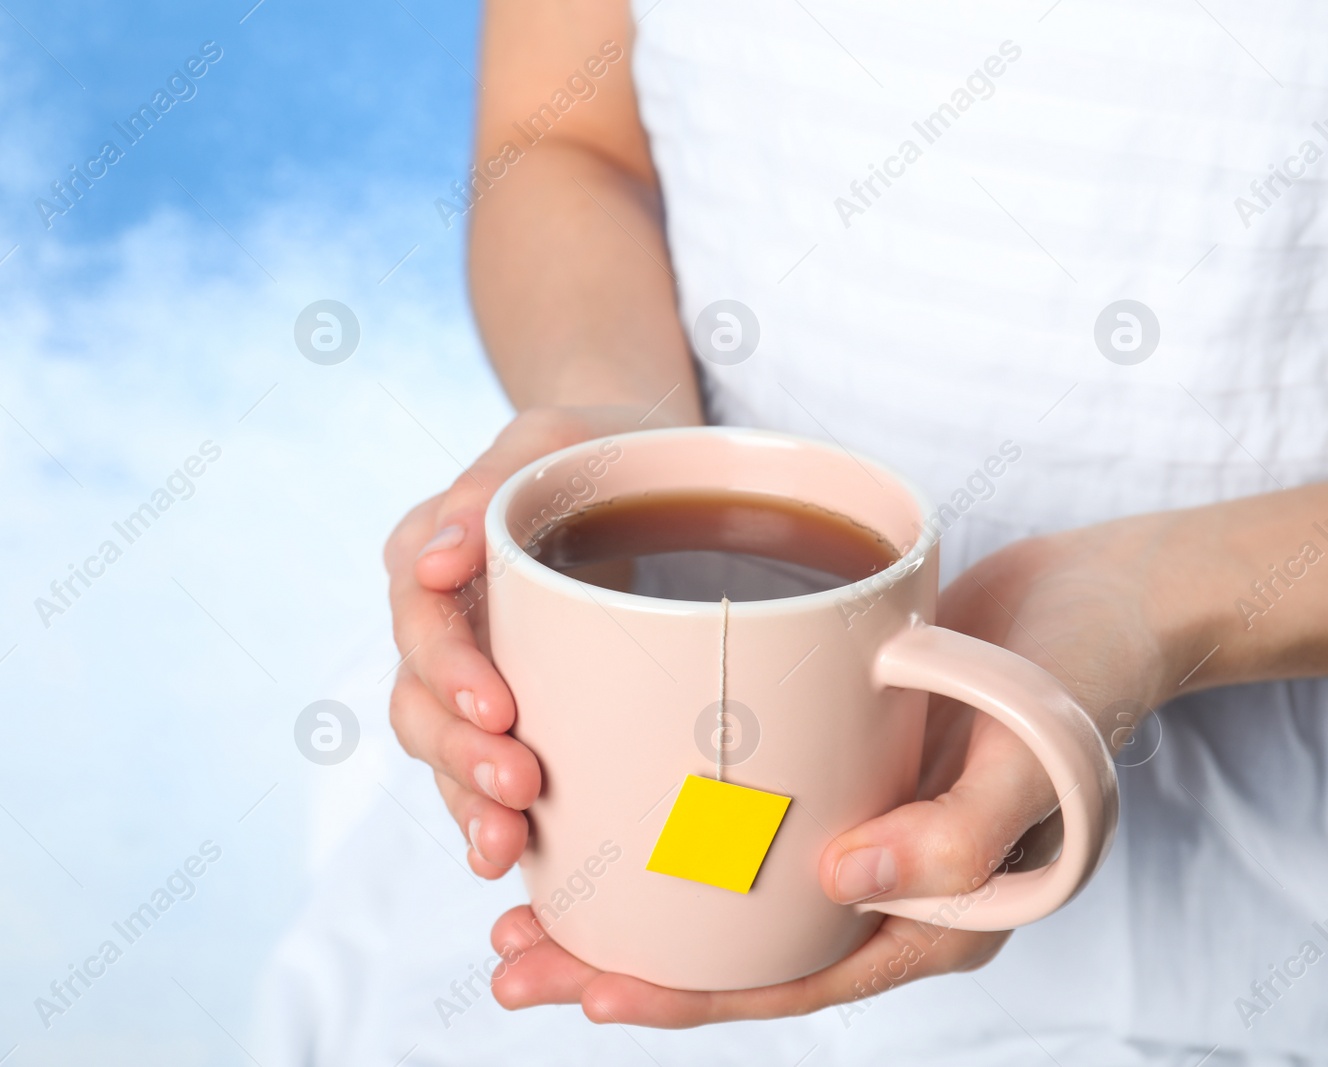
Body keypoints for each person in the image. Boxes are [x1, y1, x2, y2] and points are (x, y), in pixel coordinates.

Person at [384, 0, 1328, 1051]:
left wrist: (1168, 595)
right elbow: (563, 138)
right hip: (591, 764)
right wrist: (617, 430)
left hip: (1269, 898)